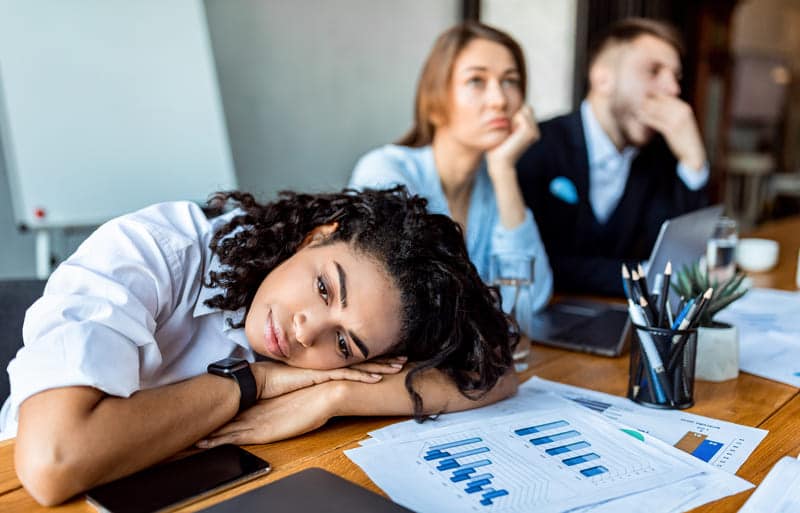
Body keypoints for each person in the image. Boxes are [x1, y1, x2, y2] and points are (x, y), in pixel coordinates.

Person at [1, 186, 518, 505]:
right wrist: (254, 382)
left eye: (343, 343)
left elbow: (495, 375)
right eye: (323, 288)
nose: (304, 331)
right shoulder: (155, 251)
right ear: (315, 236)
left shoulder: (332, 355)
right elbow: (53, 462)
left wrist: (333, 397)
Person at [349, 21, 553, 337]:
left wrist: (503, 171)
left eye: (510, 81)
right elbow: (412, 309)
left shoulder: (496, 183)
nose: (500, 99)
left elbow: (532, 300)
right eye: (476, 80)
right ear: (435, 101)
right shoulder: (385, 172)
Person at [517, 17, 709, 296]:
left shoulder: (659, 157)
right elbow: (532, 263)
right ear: (602, 77)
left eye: (675, 77)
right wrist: (639, 276)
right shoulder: (536, 145)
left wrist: (693, 161)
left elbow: (677, 264)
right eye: (654, 71)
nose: (673, 90)